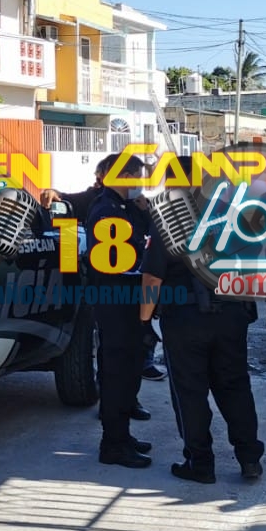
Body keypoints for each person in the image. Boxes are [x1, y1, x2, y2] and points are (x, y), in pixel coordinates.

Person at [141, 214, 265, 485]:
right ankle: (250, 458)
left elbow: (152, 277)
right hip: (231, 313)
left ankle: (200, 464)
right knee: (235, 387)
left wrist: (144, 320)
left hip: (186, 318)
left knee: (190, 392)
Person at [42, 164, 161, 405]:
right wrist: (54, 193)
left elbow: (153, 235)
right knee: (112, 353)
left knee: (134, 350)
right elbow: (67, 207)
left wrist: (147, 211)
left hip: (134, 288)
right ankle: (112, 409)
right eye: (137, 177)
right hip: (109, 289)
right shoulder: (97, 201)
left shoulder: (137, 203)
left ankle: (130, 402)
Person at [85, 155, 154, 468]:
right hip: (116, 302)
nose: (140, 182)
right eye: (136, 175)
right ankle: (113, 444)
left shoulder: (125, 206)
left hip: (126, 301)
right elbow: (121, 262)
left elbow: (144, 236)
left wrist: (145, 211)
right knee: (117, 373)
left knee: (128, 370)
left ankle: (122, 435)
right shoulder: (106, 210)